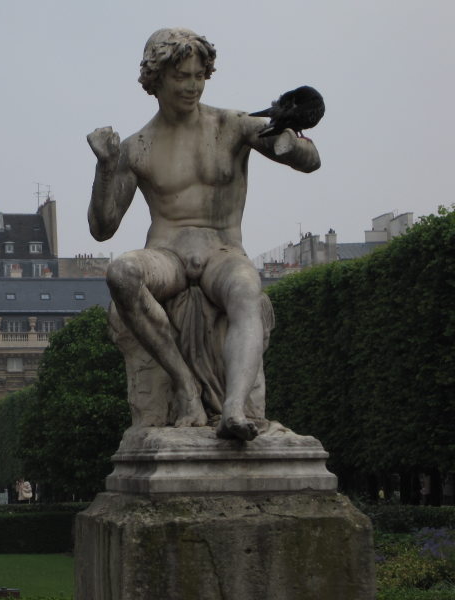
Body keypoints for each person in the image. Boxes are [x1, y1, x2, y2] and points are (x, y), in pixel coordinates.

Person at [87, 28, 320, 441]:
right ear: (155, 80)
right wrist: (105, 168)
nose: (192, 86)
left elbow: (311, 161)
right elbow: (102, 228)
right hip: (167, 254)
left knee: (247, 290)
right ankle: (184, 384)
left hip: (223, 250)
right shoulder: (136, 146)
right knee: (121, 273)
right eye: (182, 77)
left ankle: (234, 408)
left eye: (199, 76)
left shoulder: (232, 126)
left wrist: (288, 146)